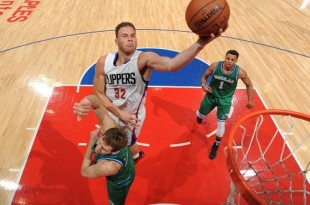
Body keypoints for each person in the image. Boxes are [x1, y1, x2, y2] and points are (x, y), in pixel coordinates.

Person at [88, 22, 225, 162]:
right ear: (116, 41)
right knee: (107, 138)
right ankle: (116, 154)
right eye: (125, 36)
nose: (130, 39)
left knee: (124, 144)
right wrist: (117, 113)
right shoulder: (104, 62)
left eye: (133, 36)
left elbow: (172, 64)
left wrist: (200, 44)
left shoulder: (144, 59)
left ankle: (134, 157)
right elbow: (98, 93)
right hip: (112, 111)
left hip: (131, 118)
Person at [74, 95, 135, 205]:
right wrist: (86, 101)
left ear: (112, 151)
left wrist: (92, 141)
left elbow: (84, 171)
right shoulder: (111, 129)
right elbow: (96, 104)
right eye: (100, 141)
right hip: (126, 162)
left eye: (104, 149)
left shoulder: (107, 167)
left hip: (120, 182)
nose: (97, 148)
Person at [196, 50, 254, 159]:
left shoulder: (240, 72)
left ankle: (216, 144)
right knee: (200, 114)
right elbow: (204, 77)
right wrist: (203, 85)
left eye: (232, 60)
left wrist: (250, 100)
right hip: (211, 95)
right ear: (225, 57)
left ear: (236, 61)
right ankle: (200, 116)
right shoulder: (215, 66)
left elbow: (249, 85)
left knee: (221, 124)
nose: (229, 61)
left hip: (225, 101)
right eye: (227, 58)